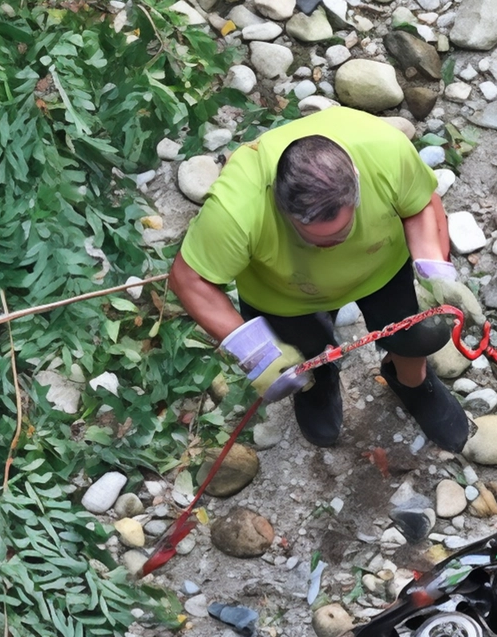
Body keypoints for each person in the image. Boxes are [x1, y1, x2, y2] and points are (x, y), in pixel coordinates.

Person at [169, 106, 470, 453]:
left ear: (356, 181)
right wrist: (253, 351)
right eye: (315, 237)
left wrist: (435, 270)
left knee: (413, 335)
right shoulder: (237, 209)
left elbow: (420, 204)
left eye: (340, 231)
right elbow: (189, 279)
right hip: (283, 294)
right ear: (280, 207)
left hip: (382, 266)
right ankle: (318, 383)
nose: (330, 246)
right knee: (303, 352)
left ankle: (412, 382)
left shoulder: (384, 150)